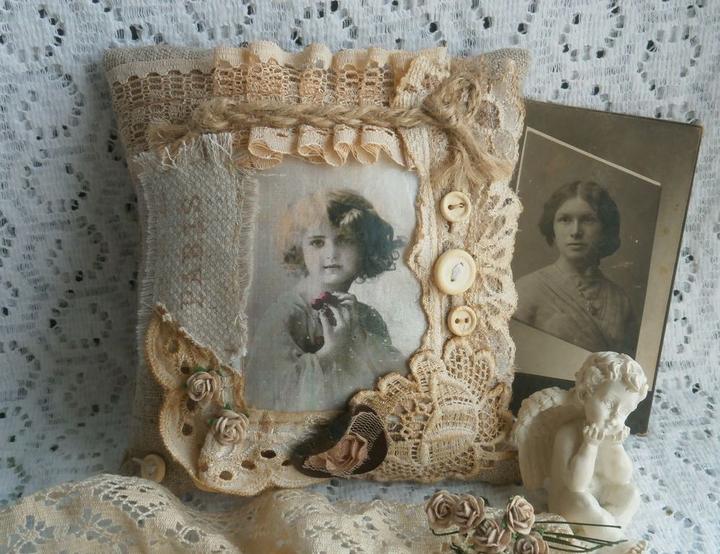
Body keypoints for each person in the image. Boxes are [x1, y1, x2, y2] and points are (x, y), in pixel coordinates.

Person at [244, 189, 406, 412]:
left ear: (367, 247)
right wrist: (330, 352)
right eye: (317, 242)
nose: (331, 253)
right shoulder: (286, 315)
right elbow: (269, 396)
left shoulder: (367, 317)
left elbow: (394, 384)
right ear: (299, 249)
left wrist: (359, 337)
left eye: (344, 240)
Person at [514, 181, 638, 355]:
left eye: (588, 220)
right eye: (565, 220)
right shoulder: (528, 289)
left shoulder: (620, 301)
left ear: (605, 229)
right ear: (552, 228)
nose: (575, 232)